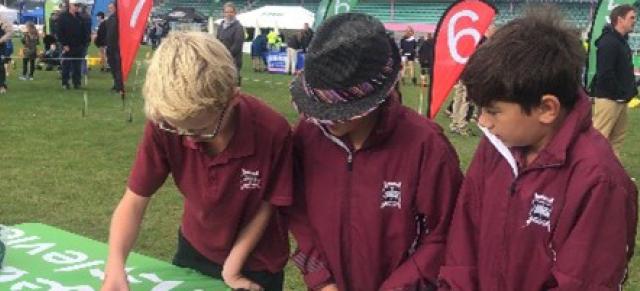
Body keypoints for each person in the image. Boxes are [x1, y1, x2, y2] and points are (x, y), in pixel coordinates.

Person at [439, 7, 638, 290]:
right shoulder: (494, 148)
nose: (483, 122)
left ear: (547, 108)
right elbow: (464, 239)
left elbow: (583, 281)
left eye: (493, 111)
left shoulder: (599, 180)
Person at [101, 32, 292, 291]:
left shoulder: (273, 131)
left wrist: (233, 265)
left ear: (232, 99)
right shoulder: (166, 122)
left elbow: (269, 204)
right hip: (194, 248)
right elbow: (134, 200)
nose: (188, 139)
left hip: (256, 262)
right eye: (177, 129)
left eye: (200, 129)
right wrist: (115, 266)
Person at [289, 13, 463, 291]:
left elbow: (445, 234)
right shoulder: (308, 135)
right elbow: (298, 212)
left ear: (374, 100)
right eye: (323, 112)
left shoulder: (426, 146)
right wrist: (321, 279)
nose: (329, 121)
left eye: (341, 113)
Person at [591, 4, 637, 159]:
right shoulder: (608, 42)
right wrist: (619, 93)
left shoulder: (621, 41)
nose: (634, 21)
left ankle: (613, 178)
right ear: (620, 19)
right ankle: (593, 178)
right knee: (599, 140)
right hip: (609, 100)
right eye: (632, 17)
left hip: (620, 99)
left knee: (616, 141)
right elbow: (605, 74)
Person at [57, 0, 89, 89]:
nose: (77, 7)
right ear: (70, 5)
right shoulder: (62, 17)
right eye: (75, 5)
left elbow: (84, 32)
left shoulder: (81, 18)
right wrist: (64, 44)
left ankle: (77, 83)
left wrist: (84, 44)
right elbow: (59, 32)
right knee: (66, 65)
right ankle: (65, 83)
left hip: (79, 46)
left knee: (77, 66)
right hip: (67, 46)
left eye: (78, 5)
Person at [216, 2, 244, 85]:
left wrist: (227, 55)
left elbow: (237, 45)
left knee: (233, 81)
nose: (229, 14)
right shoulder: (221, 26)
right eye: (226, 12)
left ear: (235, 13)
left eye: (231, 12)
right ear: (223, 13)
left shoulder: (238, 27)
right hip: (221, 57)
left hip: (233, 58)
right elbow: (217, 40)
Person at [104, 2, 123, 93]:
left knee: (118, 67)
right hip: (110, 46)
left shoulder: (120, 18)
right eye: (109, 8)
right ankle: (116, 84)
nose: (109, 9)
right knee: (113, 67)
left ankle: (119, 86)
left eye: (111, 7)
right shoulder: (110, 18)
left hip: (117, 47)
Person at [0, 15, 13, 93]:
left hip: (1, 47)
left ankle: (1, 86)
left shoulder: (3, 20)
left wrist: (1, 40)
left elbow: (10, 32)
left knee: (1, 67)